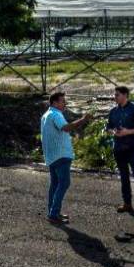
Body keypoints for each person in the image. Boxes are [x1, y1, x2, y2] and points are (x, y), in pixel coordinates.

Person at [41, 92, 92, 225]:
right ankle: (53, 214)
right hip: (60, 154)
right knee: (64, 183)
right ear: (54, 103)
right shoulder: (55, 114)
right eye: (63, 101)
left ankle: (53, 212)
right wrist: (83, 119)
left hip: (52, 155)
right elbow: (67, 128)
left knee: (55, 184)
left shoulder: (46, 115)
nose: (65, 104)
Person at [107, 86, 134, 214]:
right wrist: (113, 131)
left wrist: (127, 132)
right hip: (118, 148)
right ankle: (127, 203)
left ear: (125, 95)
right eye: (114, 95)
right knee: (124, 177)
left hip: (132, 147)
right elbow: (108, 127)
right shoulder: (113, 111)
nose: (115, 97)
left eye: (117, 95)